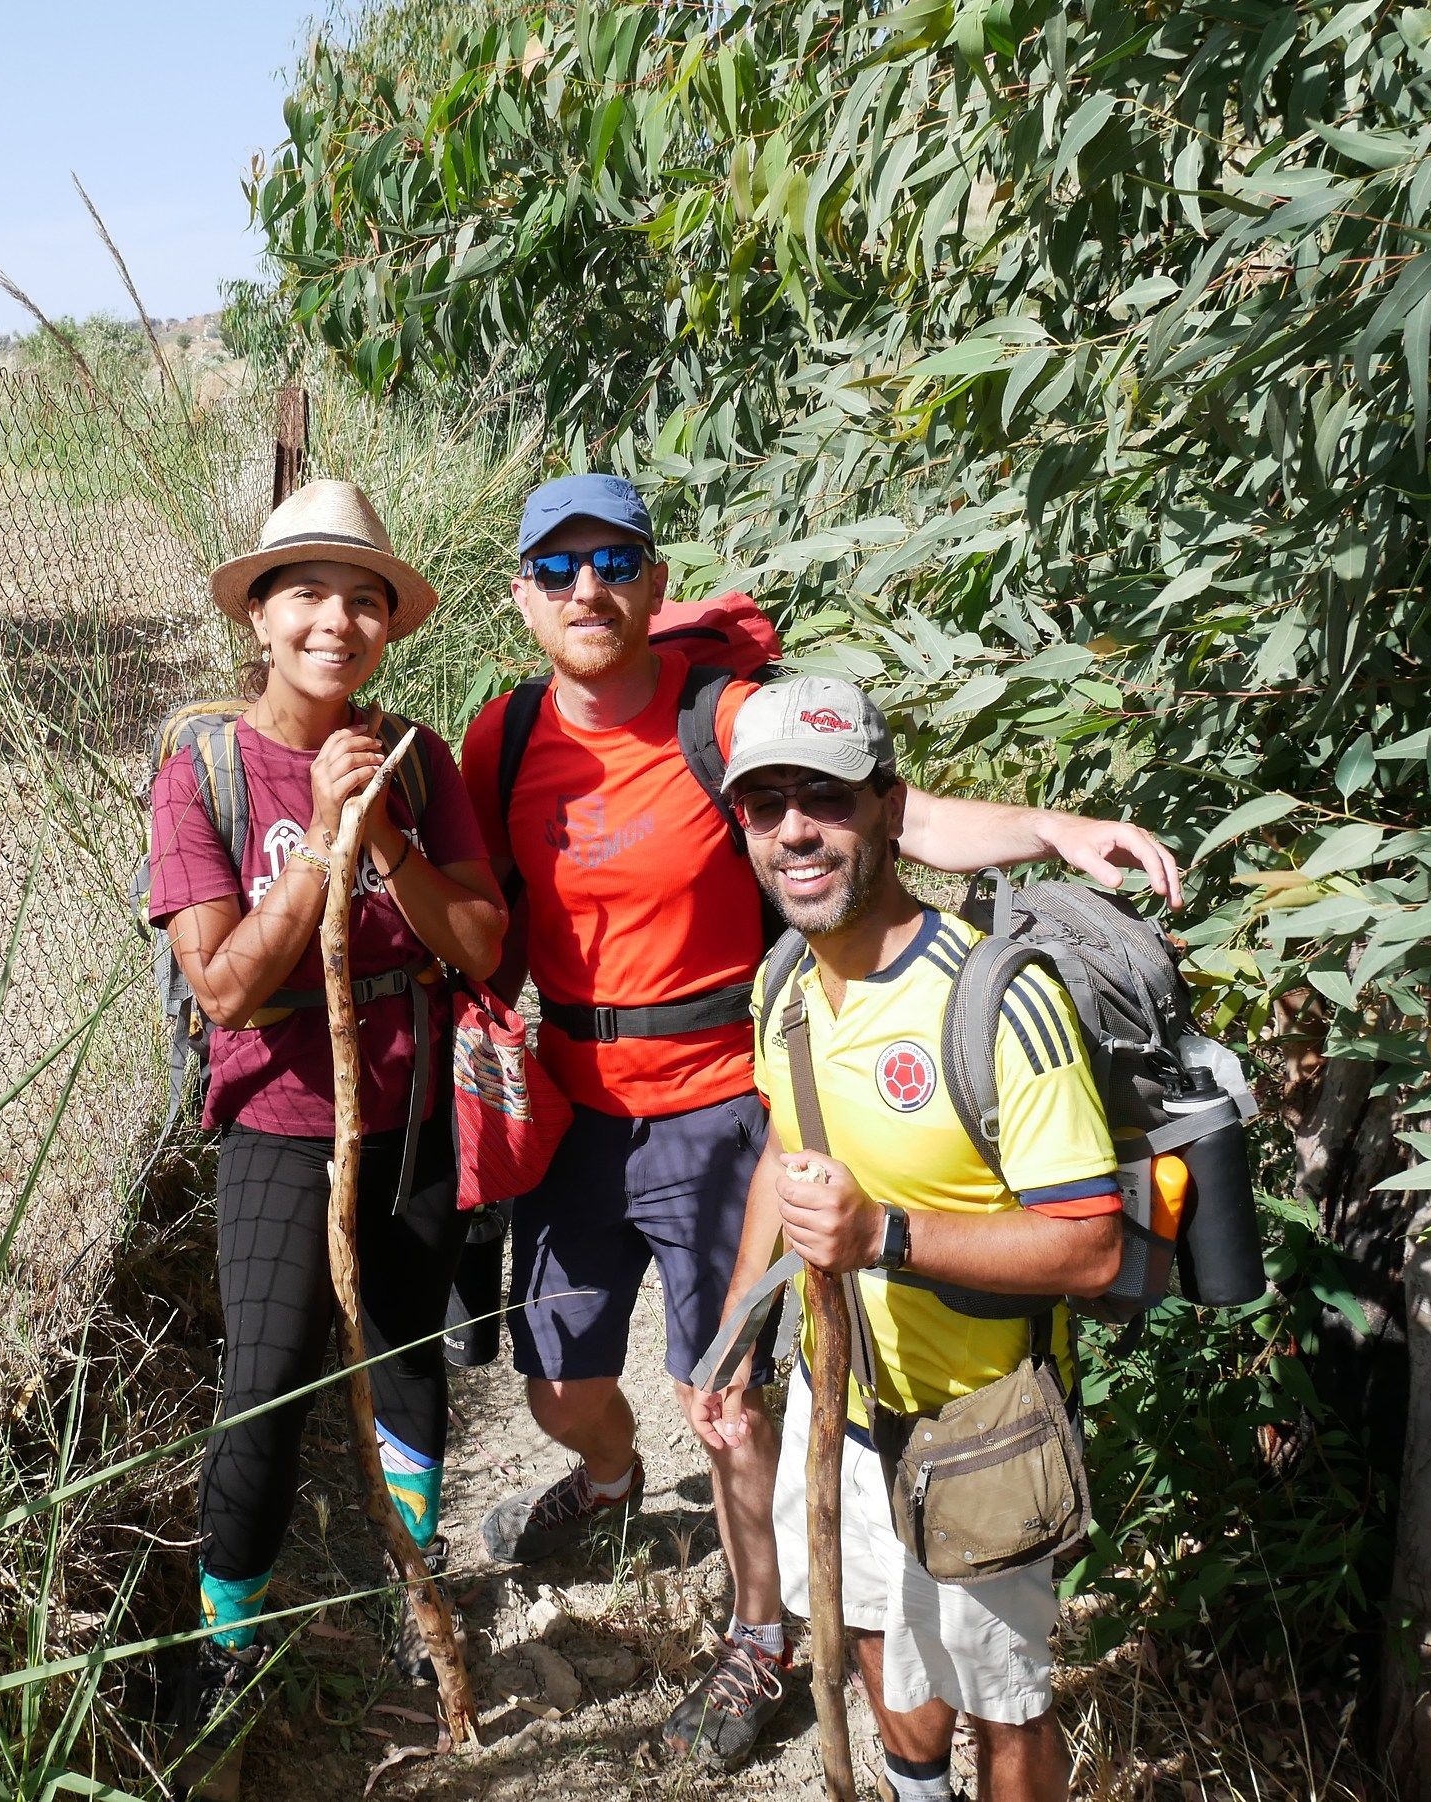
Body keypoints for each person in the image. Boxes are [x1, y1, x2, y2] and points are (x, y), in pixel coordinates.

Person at [457, 473, 1177, 1769]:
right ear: (519, 594)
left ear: (655, 576)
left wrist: (1048, 828)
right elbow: (479, 905)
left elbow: (873, 804)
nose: (587, 587)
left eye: (613, 556)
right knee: (573, 1379)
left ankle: (752, 1628)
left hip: (714, 1098)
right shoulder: (501, 736)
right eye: (557, 567)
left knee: (733, 1401)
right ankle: (617, 1480)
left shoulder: (721, 719)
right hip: (580, 1103)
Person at [693, 675, 1125, 1802]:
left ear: (888, 805)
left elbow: (1090, 1246)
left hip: (985, 1419)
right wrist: (738, 1331)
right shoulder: (782, 983)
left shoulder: (995, 999)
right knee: (878, 1638)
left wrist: (882, 1233)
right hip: (840, 1411)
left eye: (826, 799)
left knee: (1005, 1697)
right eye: (765, 802)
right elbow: (786, 1166)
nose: (795, 829)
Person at [146, 481, 506, 1799]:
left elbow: (478, 945)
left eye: (363, 598)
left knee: (411, 1367)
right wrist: (323, 852)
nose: (336, 620)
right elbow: (226, 988)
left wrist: (393, 836)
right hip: (283, 1126)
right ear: (260, 614)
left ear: (387, 628)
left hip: (414, 1116)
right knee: (266, 1389)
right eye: (305, 591)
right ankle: (226, 1650)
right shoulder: (207, 769)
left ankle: (417, 1599)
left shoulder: (418, 754)